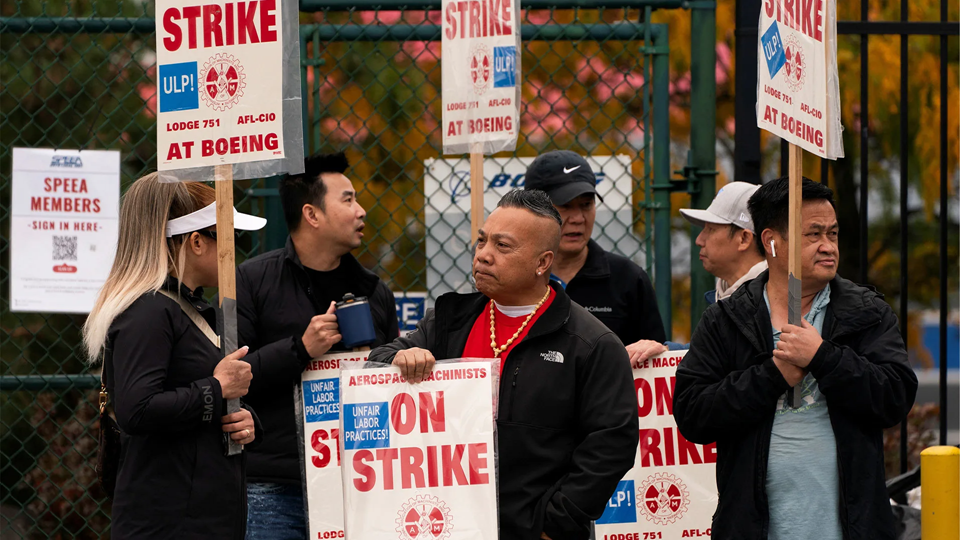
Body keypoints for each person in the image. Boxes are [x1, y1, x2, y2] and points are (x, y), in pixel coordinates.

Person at [370, 189, 639, 540]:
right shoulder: (449, 322)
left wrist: (553, 523)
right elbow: (375, 365)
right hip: (447, 525)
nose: (483, 255)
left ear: (542, 263)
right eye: (482, 241)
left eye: (502, 246)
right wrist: (399, 359)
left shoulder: (591, 344)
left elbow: (611, 446)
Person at [673, 177, 918, 540]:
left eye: (832, 234)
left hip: (852, 528)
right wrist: (773, 375)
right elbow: (693, 413)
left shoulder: (867, 312)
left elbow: (894, 397)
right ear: (771, 241)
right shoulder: (727, 318)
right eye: (813, 234)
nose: (828, 246)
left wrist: (822, 357)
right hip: (754, 529)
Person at [83, 175, 266, 539]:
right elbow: (138, 408)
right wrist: (216, 388)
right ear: (197, 242)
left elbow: (191, 400)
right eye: (227, 239)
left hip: (197, 515)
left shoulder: (182, 307)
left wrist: (243, 420)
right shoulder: (149, 312)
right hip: (168, 521)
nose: (234, 253)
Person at [237, 152, 399, 538]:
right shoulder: (253, 281)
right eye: (348, 200)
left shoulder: (374, 292)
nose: (361, 211)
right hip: (276, 485)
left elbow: (392, 388)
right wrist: (300, 348)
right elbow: (231, 378)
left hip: (360, 481)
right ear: (312, 215)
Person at [522, 150, 667, 365]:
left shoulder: (628, 279)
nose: (578, 218)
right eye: (565, 206)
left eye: (586, 204)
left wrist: (659, 350)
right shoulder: (516, 277)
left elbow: (658, 367)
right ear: (534, 210)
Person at [630, 181, 768, 366]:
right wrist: (668, 353)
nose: (699, 240)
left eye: (710, 229)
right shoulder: (734, 295)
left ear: (743, 238)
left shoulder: (773, 302)